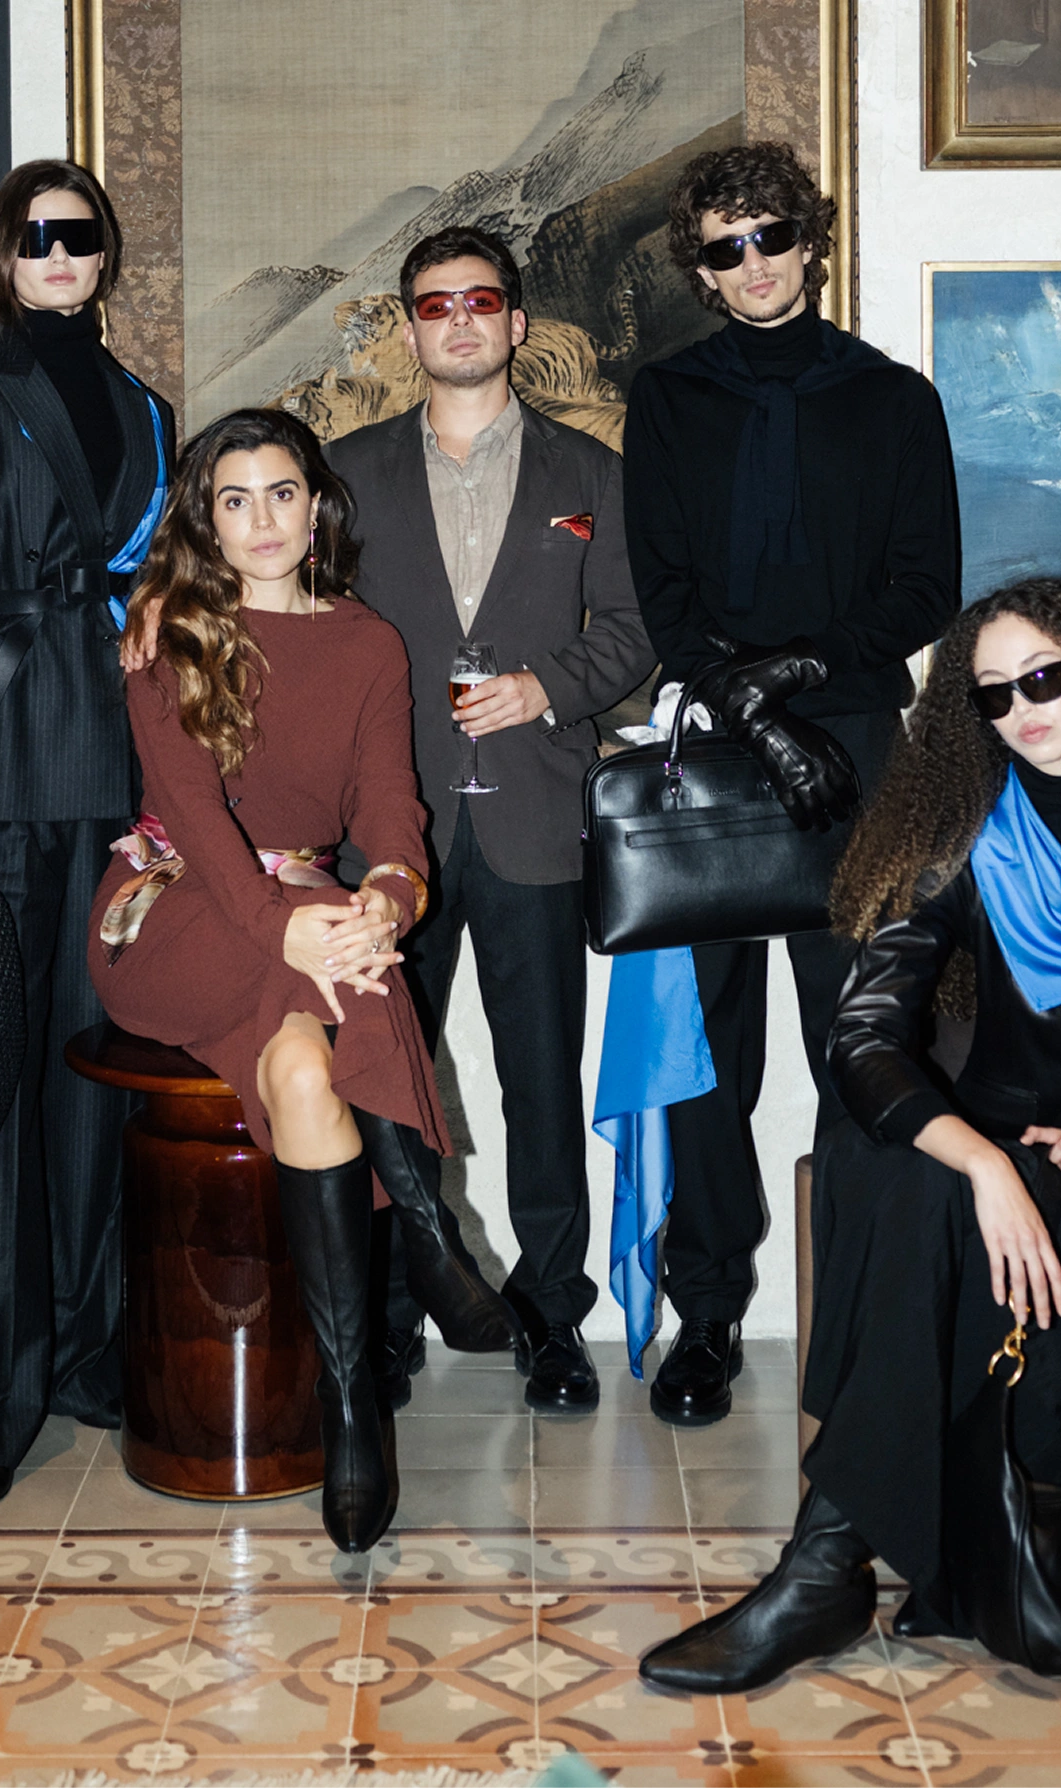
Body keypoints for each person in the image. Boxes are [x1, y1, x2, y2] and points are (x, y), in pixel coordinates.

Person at [637, 577, 1061, 1693]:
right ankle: (826, 1565)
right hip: (1008, 1187)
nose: (1023, 711)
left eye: (1044, 680)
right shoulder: (965, 839)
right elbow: (863, 1034)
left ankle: (827, 1570)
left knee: (924, 1200)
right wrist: (978, 1160)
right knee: (887, 1163)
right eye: (994, 695)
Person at [92, 409, 516, 1553]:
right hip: (172, 909)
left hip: (306, 920)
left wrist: (390, 894)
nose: (262, 520)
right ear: (207, 520)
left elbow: (390, 804)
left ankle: (350, 1413)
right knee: (336, 958)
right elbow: (198, 825)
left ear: (317, 505)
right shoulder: (173, 635)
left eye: (281, 493)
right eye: (234, 500)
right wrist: (299, 928)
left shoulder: (371, 645)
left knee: (304, 1067)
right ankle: (426, 1232)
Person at [622, 140, 961, 1426]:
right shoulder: (668, 400)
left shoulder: (894, 398)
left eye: (771, 235)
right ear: (702, 272)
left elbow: (925, 589)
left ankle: (865, 1314)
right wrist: (753, 713)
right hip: (719, 744)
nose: (753, 262)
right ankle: (709, 1313)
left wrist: (803, 677)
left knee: (860, 1039)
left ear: (810, 242)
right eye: (726, 247)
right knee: (708, 1050)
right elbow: (664, 594)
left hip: (860, 745)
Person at [327, 226, 655, 1412]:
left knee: (541, 1082)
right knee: (381, 1080)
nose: (458, 319)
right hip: (386, 828)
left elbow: (634, 630)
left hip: (535, 814)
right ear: (409, 328)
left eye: (479, 300)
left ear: (516, 322)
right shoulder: (344, 473)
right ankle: (392, 1312)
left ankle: (553, 1315)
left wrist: (546, 688)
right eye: (434, 304)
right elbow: (300, 624)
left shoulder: (593, 473)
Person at [0, 160, 175, 1507]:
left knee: (92, 1081)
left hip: (111, 780)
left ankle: (79, 1353)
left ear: (105, 255)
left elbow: (159, 600)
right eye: (36, 236)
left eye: (81, 236)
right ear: (3, 256)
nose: (61, 255)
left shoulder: (149, 410)